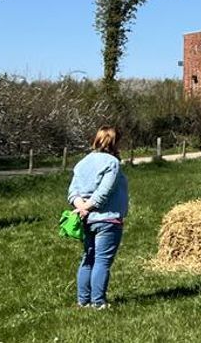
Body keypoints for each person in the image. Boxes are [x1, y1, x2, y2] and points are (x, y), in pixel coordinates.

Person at [67, 126, 130, 308]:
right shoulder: (112, 163)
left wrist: (81, 207)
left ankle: (83, 300)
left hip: (87, 219)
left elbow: (72, 191)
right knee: (102, 261)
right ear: (114, 142)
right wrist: (86, 207)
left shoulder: (82, 162)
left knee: (88, 259)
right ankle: (98, 302)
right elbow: (104, 193)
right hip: (107, 218)